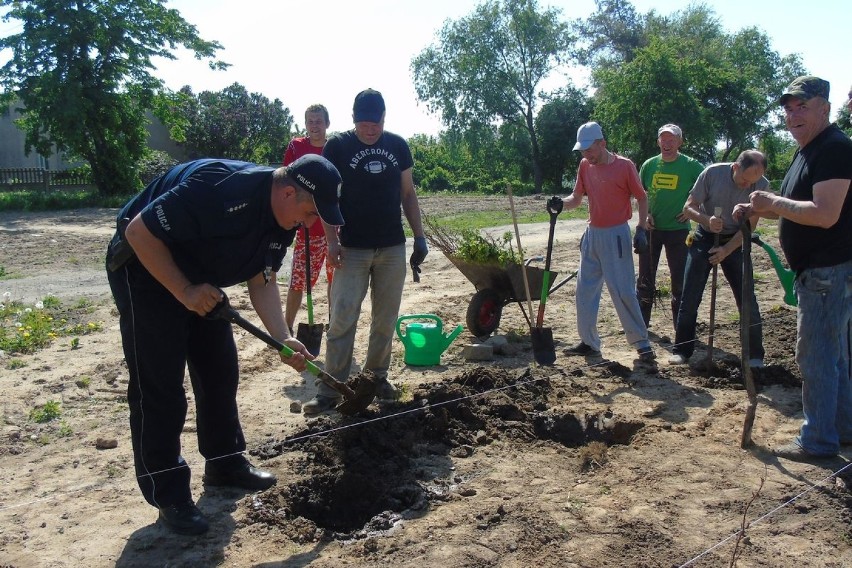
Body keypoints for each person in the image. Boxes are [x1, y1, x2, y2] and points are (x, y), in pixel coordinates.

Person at [105, 155, 344, 535]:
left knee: (220, 370)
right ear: (286, 192)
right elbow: (139, 233)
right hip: (146, 267)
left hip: (201, 275)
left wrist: (283, 338)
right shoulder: (219, 188)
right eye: (311, 212)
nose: (311, 223)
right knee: (161, 386)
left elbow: (262, 278)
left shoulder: (284, 219)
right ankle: (168, 493)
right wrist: (184, 291)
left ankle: (225, 462)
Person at [738, 76, 852, 461]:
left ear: (825, 107)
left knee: (816, 356)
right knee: (834, 355)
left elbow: (823, 214)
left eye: (802, 106)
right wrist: (759, 208)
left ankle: (819, 440)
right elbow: (796, 208)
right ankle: (842, 426)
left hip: (827, 270)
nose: (793, 114)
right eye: (788, 107)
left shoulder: (834, 149)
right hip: (822, 270)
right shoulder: (808, 150)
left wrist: (772, 200)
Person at [302, 88, 428, 414]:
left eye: (375, 123)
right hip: (351, 248)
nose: (370, 130)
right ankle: (329, 391)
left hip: (391, 246)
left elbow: (408, 194)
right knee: (342, 319)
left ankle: (376, 379)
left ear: (384, 118)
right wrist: (332, 241)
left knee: (385, 320)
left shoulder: (398, 146)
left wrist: (419, 236)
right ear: (353, 120)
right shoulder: (339, 146)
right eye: (363, 124)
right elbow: (325, 196)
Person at [555, 121, 656, 365]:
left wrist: (641, 228)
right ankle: (589, 342)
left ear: (603, 144)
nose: (586, 154)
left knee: (622, 291)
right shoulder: (584, 166)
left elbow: (642, 198)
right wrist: (561, 203)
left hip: (617, 235)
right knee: (585, 289)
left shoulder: (624, 166)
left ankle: (642, 345)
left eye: (590, 149)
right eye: (582, 150)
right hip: (592, 234)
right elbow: (577, 198)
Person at [668, 150, 767, 367]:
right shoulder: (712, 174)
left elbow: (750, 226)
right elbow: (689, 207)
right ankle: (682, 350)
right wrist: (706, 220)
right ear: (735, 168)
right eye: (743, 180)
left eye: (752, 182)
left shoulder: (762, 186)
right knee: (690, 296)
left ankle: (754, 356)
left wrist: (726, 250)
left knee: (747, 298)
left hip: (737, 238)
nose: (746, 186)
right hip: (705, 236)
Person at [636, 124, 704, 331]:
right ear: (658, 142)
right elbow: (640, 195)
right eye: (663, 139)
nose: (667, 143)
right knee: (645, 281)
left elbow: (707, 189)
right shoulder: (649, 165)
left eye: (672, 140)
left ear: (680, 142)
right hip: (652, 231)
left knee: (679, 282)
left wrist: (692, 209)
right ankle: (641, 327)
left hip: (678, 231)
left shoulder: (692, 166)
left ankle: (681, 328)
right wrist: (645, 215)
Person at [283, 104, 334, 334]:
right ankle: (287, 328)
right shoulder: (296, 147)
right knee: (298, 281)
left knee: (336, 282)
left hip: (334, 228)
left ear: (327, 123)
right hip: (307, 229)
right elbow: (285, 181)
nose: (315, 125)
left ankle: (335, 325)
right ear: (306, 124)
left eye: (319, 121)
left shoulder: (335, 148)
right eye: (310, 121)